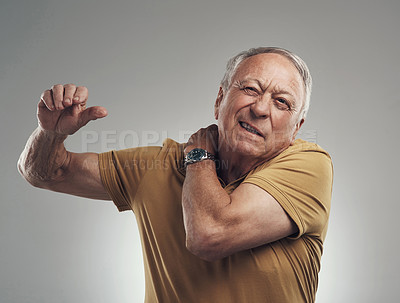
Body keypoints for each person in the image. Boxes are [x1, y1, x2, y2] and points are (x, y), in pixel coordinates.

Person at [18, 47, 333, 302]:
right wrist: (49, 134)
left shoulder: (309, 166)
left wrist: (199, 154)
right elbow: (46, 172)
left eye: (282, 103)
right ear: (220, 99)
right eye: (250, 88)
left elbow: (209, 233)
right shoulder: (157, 166)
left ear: (297, 128)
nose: (261, 109)